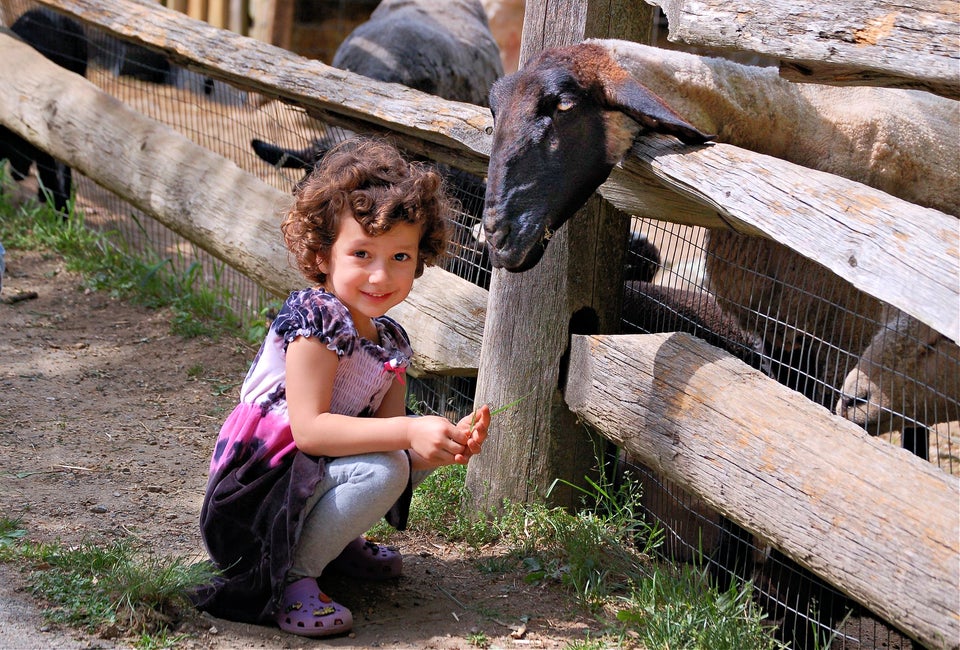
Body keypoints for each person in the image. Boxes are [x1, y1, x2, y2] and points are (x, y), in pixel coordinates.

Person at [195, 137, 491, 638]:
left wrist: (439, 444)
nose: (381, 274)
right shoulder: (315, 318)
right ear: (323, 253)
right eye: (361, 253)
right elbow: (309, 431)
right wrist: (409, 431)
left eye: (400, 255)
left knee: (393, 460)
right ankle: (289, 576)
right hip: (252, 500)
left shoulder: (391, 341)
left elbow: (387, 440)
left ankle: (329, 544)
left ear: (421, 257)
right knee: (386, 462)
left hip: (302, 480)